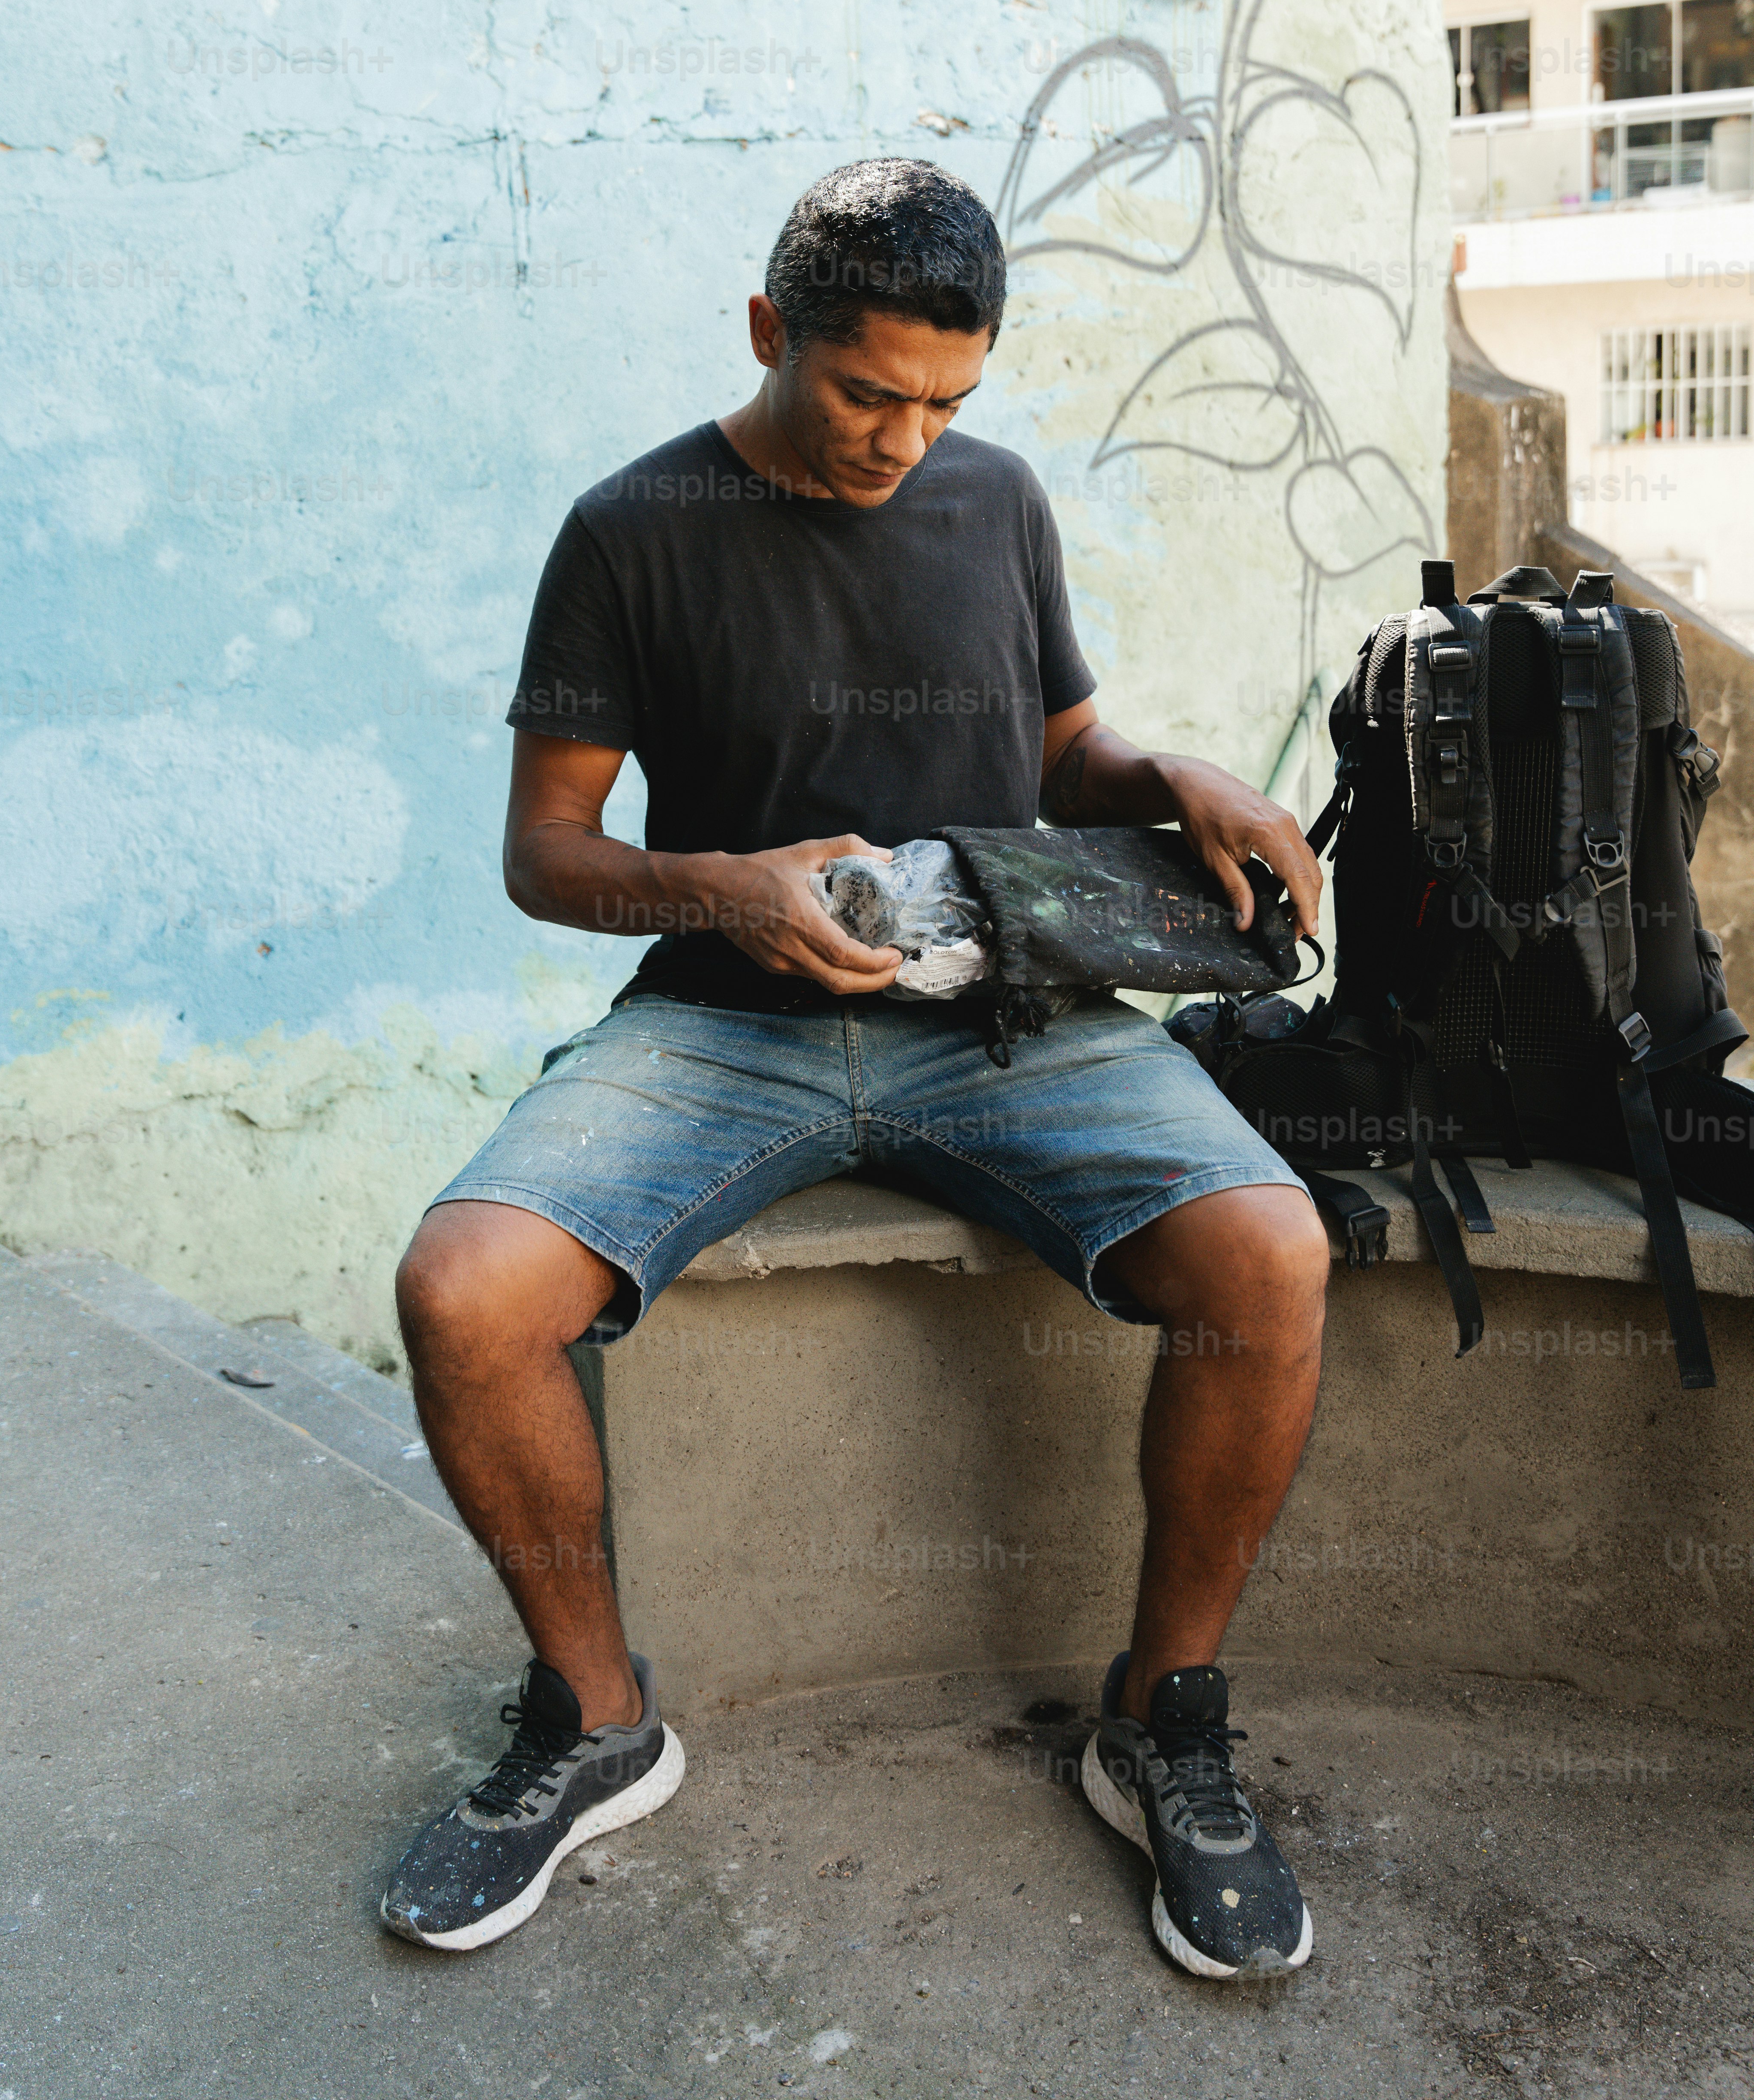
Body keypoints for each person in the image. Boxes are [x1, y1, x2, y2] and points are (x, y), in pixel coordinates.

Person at [382, 159, 1329, 1980]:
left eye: (944, 402)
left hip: (1011, 1012)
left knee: (1269, 1252)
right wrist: (717, 890)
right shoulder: (628, 527)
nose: (906, 440)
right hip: (724, 1021)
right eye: (866, 393)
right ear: (770, 332)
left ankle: (1161, 1714)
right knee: (463, 1287)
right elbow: (544, 852)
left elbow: (1058, 750)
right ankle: (590, 1719)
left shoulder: (993, 500)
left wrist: (1169, 775)